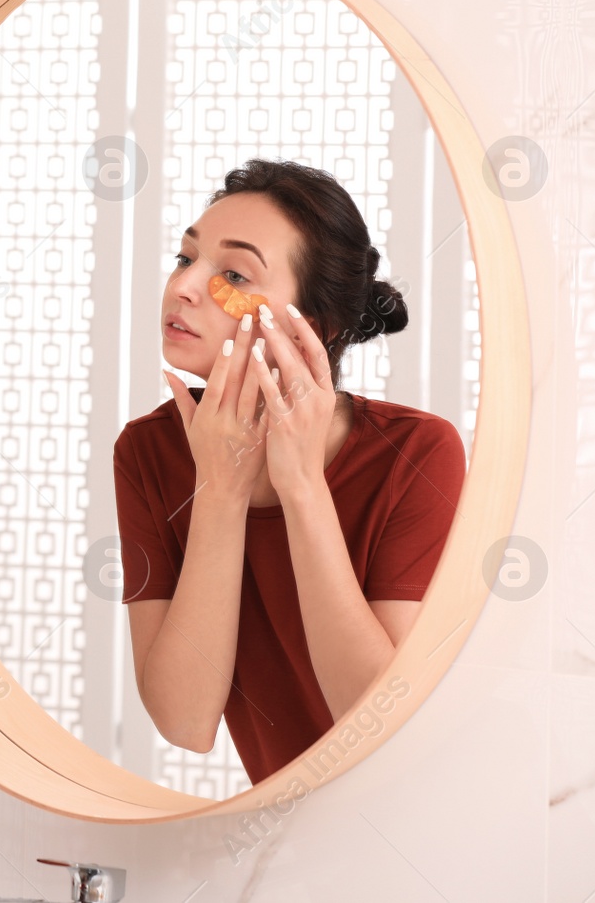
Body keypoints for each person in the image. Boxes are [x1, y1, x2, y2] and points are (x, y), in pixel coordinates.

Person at [115, 157, 466, 785]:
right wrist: (220, 487)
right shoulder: (148, 453)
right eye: (184, 258)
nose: (184, 286)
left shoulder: (419, 453)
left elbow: (378, 718)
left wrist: (301, 483)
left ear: (316, 328)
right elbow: (185, 720)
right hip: (283, 845)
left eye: (233, 274)